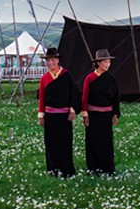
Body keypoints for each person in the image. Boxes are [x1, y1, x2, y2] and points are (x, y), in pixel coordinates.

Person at [37, 47, 81, 177]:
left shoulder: (66, 75)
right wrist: (41, 115)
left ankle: (67, 170)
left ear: (57, 60)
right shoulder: (44, 78)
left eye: (53, 60)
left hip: (64, 116)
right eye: (48, 60)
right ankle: (53, 169)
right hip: (50, 116)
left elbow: (74, 94)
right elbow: (42, 98)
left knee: (65, 142)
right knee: (51, 143)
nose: (50, 63)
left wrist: (73, 110)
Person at [81, 48, 121, 175]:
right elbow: (85, 97)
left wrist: (115, 114)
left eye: (109, 62)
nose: (108, 64)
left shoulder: (111, 79)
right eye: (105, 62)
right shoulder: (90, 78)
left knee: (106, 142)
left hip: (106, 115)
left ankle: (107, 168)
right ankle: (93, 168)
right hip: (93, 115)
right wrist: (85, 115)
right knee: (93, 142)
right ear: (98, 63)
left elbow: (115, 97)